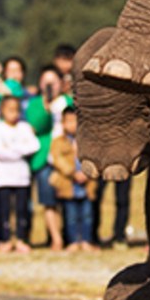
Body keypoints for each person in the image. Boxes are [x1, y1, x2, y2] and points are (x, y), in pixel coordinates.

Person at [0, 95, 39, 253]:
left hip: (21, 176)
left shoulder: (24, 127)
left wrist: (11, 149)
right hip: (3, 176)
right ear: (2, 111)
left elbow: (34, 145)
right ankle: (4, 239)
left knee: (21, 209)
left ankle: (20, 239)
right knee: (3, 210)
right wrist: (19, 150)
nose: (13, 113)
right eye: (10, 110)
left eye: (16, 110)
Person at [26, 65, 67, 250]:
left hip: (67, 157)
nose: (50, 86)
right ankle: (55, 238)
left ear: (61, 83)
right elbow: (35, 126)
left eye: (53, 82)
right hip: (44, 158)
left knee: (68, 200)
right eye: (45, 82)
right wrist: (46, 108)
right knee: (48, 200)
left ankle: (69, 236)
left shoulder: (69, 102)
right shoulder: (35, 104)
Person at [51, 107, 97, 252]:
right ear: (63, 123)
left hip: (86, 185)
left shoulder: (89, 141)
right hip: (68, 185)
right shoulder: (58, 142)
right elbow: (57, 159)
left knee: (87, 215)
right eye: (69, 121)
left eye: (76, 121)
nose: (72, 125)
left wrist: (87, 173)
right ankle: (73, 241)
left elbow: (95, 158)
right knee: (70, 215)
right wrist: (72, 173)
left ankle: (86, 240)